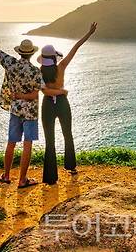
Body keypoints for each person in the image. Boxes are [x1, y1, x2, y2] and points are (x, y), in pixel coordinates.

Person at [0, 24, 66, 189]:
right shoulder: (36, 72)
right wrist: (60, 91)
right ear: (31, 54)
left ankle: (6, 175)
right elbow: (37, 94)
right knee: (27, 144)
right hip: (30, 113)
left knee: (11, 143)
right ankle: (22, 180)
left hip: (15, 110)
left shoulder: (11, 64)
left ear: (20, 52)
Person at [38, 22, 97, 185]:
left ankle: (51, 178)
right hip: (63, 103)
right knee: (67, 134)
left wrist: (56, 92)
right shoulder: (62, 66)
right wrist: (89, 33)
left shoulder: (39, 71)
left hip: (48, 105)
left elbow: (44, 92)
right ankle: (71, 166)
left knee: (50, 140)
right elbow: (76, 47)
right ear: (54, 58)